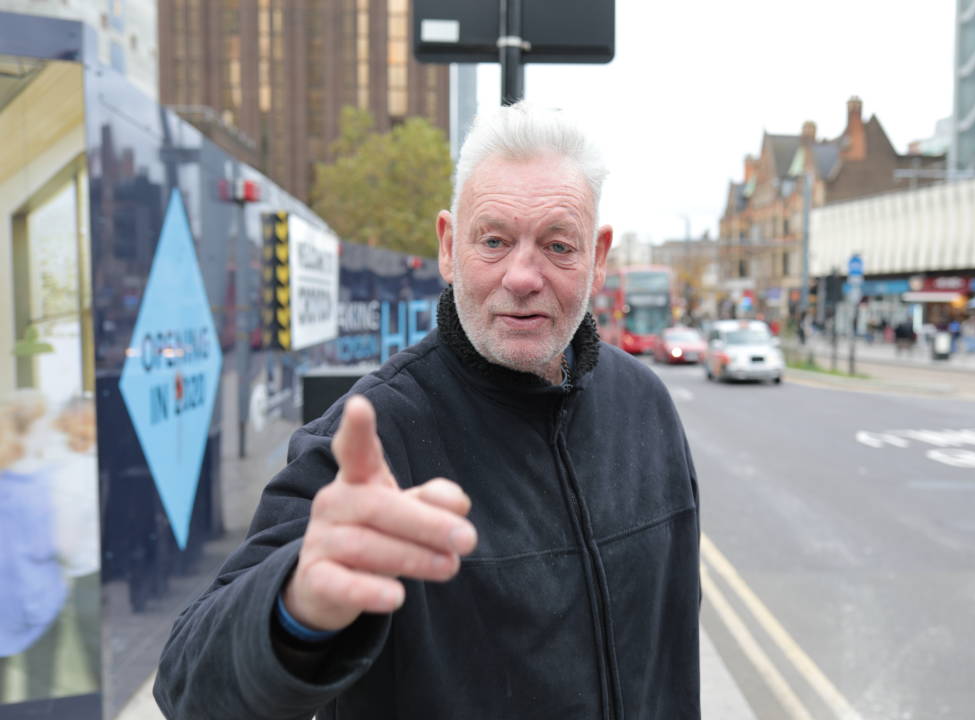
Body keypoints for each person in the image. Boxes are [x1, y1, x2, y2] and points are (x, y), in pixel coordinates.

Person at [154, 102, 701, 719]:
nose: (523, 276)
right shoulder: (369, 439)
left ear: (598, 257)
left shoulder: (647, 408)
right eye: (494, 241)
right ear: (449, 246)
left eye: (557, 245)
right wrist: (295, 605)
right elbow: (186, 686)